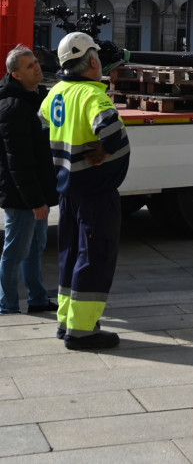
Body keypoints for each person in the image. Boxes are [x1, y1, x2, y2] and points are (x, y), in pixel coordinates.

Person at [39, 32, 130, 350]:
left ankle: (67, 322)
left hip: (69, 191)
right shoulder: (93, 96)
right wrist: (103, 150)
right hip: (95, 191)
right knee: (95, 257)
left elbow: (42, 121)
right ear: (92, 61)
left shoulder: (57, 92)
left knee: (70, 255)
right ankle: (82, 331)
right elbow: (112, 130)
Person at [0, 45, 58, 316]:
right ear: (16, 76)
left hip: (35, 193)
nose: (37, 67)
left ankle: (37, 299)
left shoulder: (36, 99)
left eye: (35, 61)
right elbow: (18, 163)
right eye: (29, 66)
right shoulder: (13, 108)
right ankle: (8, 305)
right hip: (21, 196)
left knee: (35, 248)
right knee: (15, 252)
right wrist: (36, 201)